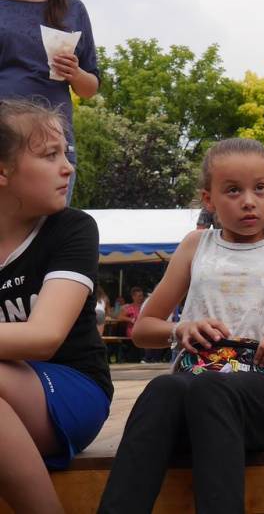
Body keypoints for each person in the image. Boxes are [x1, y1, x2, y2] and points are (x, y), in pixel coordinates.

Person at [98, 138, 264, 513]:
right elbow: (143, 330)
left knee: (211, 389)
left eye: (260, 188)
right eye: (233, 190)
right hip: (194, 387)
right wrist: (180, 330)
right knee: (162, 388)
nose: (248, 201)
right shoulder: (196, 246)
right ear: (209, 199)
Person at [0, 99, 109, 513]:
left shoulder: (72, 228)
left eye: (66, 153)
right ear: (2, 171)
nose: (68, 168)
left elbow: (44, 337)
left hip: (71, 389)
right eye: (50, 155)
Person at [0, 0, 99, 205]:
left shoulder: (72, 9)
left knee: (46, 230)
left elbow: (90, 88)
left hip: (53, 146)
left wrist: (75, 73)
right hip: (2, 141)